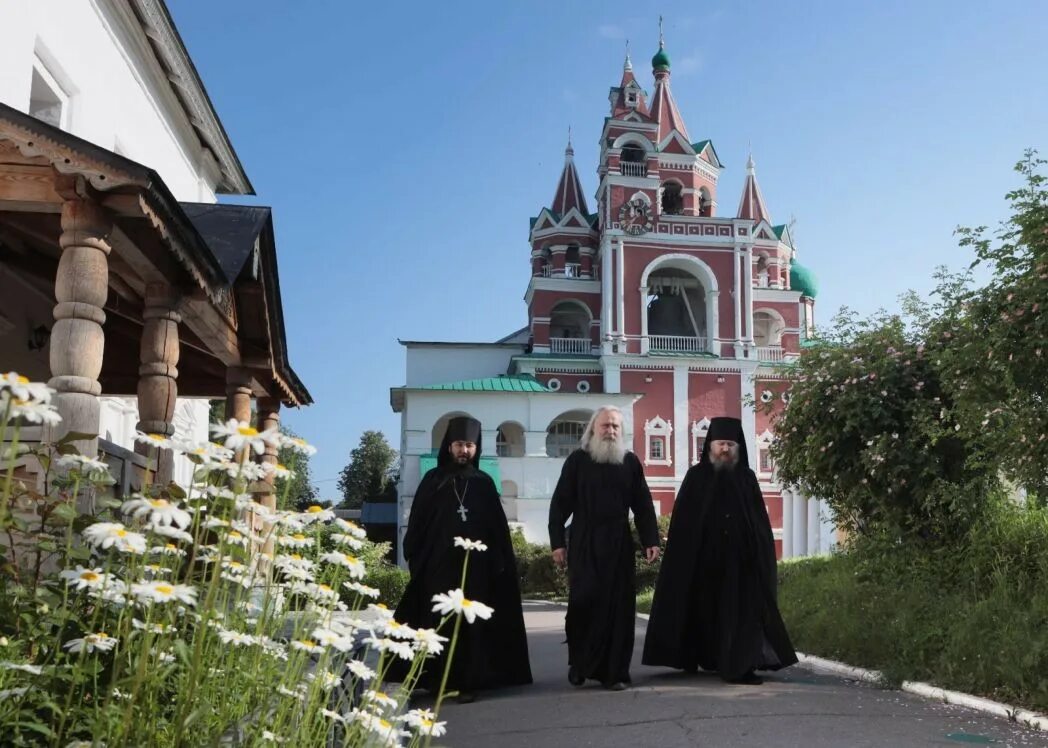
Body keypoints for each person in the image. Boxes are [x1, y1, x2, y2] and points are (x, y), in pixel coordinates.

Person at [642, 416, 797, 684]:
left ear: (737, 447)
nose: (725, 449)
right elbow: (684, 523)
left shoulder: (747, 478)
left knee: (739, 613)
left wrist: (758, 552)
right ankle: (705, 657)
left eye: (729, 444)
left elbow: (759, 521)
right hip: (702, 560)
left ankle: (739, 665)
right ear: (710, 446)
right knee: (701, 609)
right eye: (720, 444)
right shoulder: (696, 476)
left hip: (740, 562)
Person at [394, 416, 532, 702]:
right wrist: (415, 556)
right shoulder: (433, 481)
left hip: (476, 571)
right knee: (438, 621)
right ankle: (438, 681)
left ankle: (470, 682)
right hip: (439, 569)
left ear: (476, 448)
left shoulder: (483, 483)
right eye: (459, 444)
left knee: (472, 625)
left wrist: (501, 563)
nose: (464, 451)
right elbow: (418, 521)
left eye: (469, 445)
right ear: (449, 446)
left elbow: (497, 529)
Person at [548, 405, 660, 691]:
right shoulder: (577, 461)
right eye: (605, 426)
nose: (610, 431)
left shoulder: (630, 463)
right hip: (585, 542)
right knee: (583, 604)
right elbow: (560, 504)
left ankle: (615, 672)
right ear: (593, 430)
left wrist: (650, 540)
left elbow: (643, 504)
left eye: (615, 427)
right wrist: (557, 543)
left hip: (619, 543)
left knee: (619, 608)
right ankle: (580, 663)